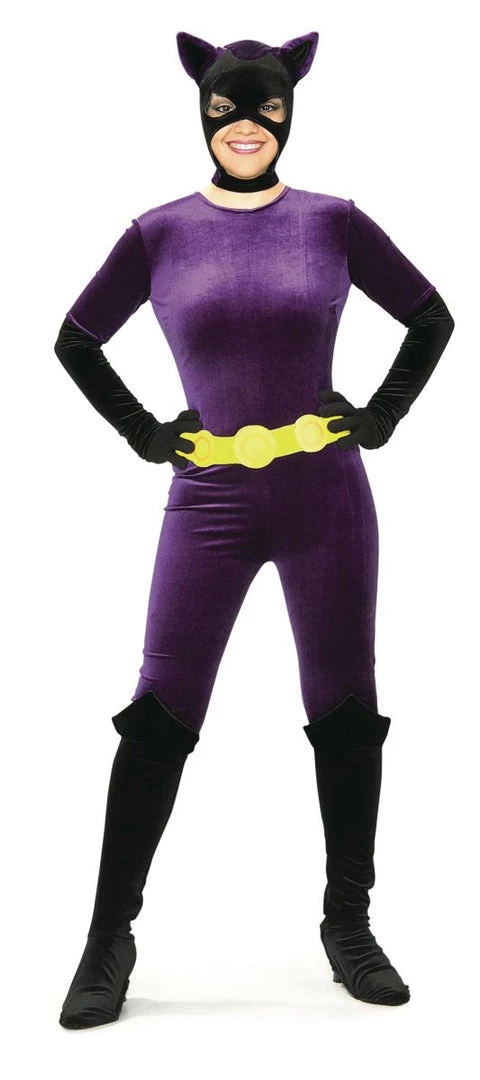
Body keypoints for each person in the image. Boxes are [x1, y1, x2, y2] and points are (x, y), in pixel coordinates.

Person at [55, 29, 454, 1029]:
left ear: (289, 112)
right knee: (160, 710)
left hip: (327, 498)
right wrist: (147, 433)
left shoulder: (333, 221)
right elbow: (76, 339)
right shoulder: (158, 232)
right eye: (226, 107)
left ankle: (349, 925)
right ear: (202, 112)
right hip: (211, 505)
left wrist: (382, 415)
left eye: (265, 107)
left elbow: (431, 316)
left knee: (347, 707)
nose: (245, 125)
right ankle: (107, 940)